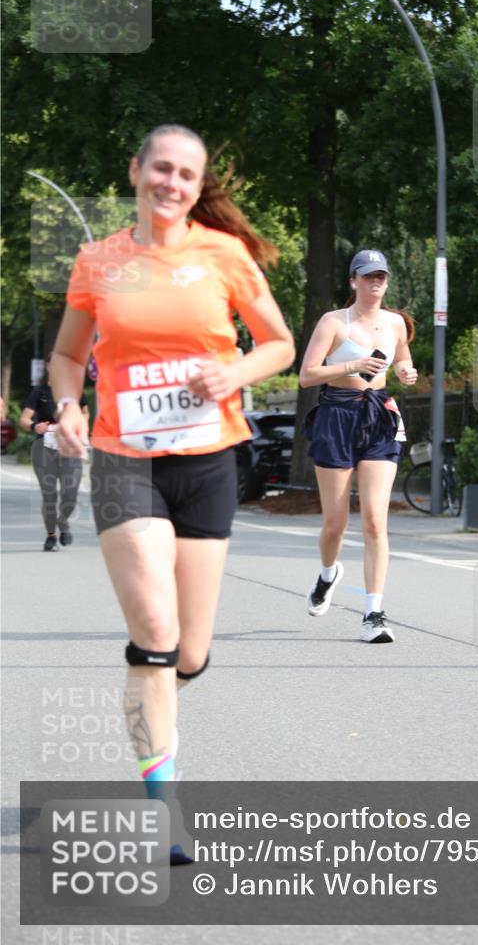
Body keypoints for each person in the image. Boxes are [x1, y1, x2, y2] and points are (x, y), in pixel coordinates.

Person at [51, 124, 295, 863]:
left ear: (197, 185)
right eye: (161, 168)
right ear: (136, 170)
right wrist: (67, 406)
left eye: (186, 174)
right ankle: (166, 804)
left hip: (208, 460)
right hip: (124, 457)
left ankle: (154, 706)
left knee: (189, 654)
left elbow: (279, 343)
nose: (172, 182)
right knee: (154, 638)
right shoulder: (99, 260)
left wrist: (236, 374)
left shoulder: (224, 256)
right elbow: (67, 355)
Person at [299, 249, 418, 643]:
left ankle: (374, 615)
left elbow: (401, 357)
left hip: (380, 416)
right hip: (337, 415)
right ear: (353, 281)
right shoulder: (334, 322)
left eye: (381, 276)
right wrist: (352, 366)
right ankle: (328, 573)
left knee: (374, 520)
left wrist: (404, 369)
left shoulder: (396, 323)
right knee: (336, 523)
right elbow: (307, 375)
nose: (375, 283)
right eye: (367, 277)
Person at [19, 355, 89, 551]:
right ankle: (51, 537)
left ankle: (63, 521)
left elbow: (85, 413)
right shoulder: (39, 392)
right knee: (49, 495)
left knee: (70, 495)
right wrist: (34, 426)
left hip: (69, 447)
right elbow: (24, 419)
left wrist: (79, 424)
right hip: (45, 448)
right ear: (48, 366)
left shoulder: (74, 391)